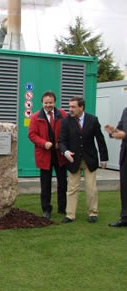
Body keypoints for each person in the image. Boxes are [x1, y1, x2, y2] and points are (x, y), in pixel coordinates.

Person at [58, 96, 108, 224]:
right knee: (72, 188)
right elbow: (61, 141)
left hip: (89, 160)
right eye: (69, 106)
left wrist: (104, 158)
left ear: (81, 107)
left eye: (73, 107)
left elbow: (100, 140)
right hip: (73, 160)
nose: (70, 109)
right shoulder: (65, 121)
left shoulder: (93, 120)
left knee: (91, 188)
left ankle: (93, 213)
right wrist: (65, 152)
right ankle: (70, 215)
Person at [28, 91, 67, 219]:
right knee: (45, 184)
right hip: (44, 154)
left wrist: (61, 144)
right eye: (46, 103)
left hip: (60, 154)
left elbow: (67, 130)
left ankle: (63, 208)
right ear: (42, 103)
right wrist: (44, 143)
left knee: (63, 182)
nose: (48, 105)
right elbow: (32, 135)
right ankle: (46, 209)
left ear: (54, 102)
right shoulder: (34, 117)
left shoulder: (62, 114)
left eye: (50, 103)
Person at [105, 108, 127, 227]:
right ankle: (125, 218)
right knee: (124, 188)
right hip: (125, 155)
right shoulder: (125, 111)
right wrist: (113, 131)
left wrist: (125, 135)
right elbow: (120, 130)